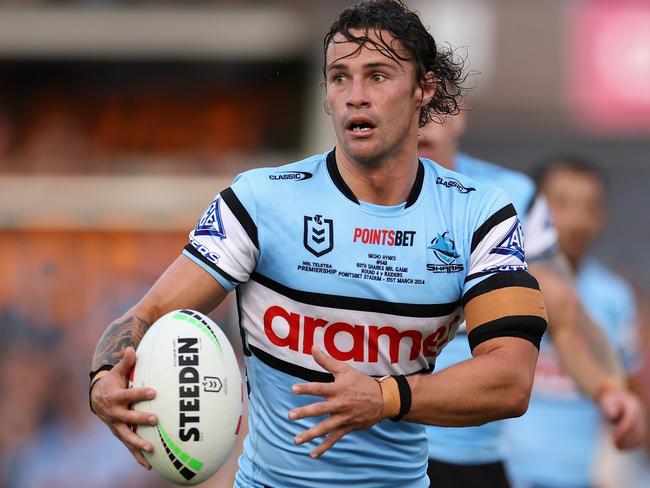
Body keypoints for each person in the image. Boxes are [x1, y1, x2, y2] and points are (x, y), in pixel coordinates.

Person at [88, 2, 548, 487]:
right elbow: (147, 314)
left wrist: (384, 398)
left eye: (377, 76)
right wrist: (101, 381)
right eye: (339, 78)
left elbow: (511, 381)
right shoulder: (259, 201)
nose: (355, 96)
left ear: (424, 90)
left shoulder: (479, 214)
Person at [418, 114, 646, 488]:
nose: (423, 120)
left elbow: (564, 313)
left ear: (458, 111)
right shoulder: (347, 190)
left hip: (475, 457)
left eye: (435, 101)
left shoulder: (509, 196)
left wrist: (610, 389)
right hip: (380, 441)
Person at [503, 157, 643, 488]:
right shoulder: (503, 286)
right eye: (561, 204)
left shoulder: (614, 297)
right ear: (532, 212)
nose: (577, 220)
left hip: (579, 475)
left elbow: (627, 387)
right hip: (507, 472)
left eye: (590, 207)